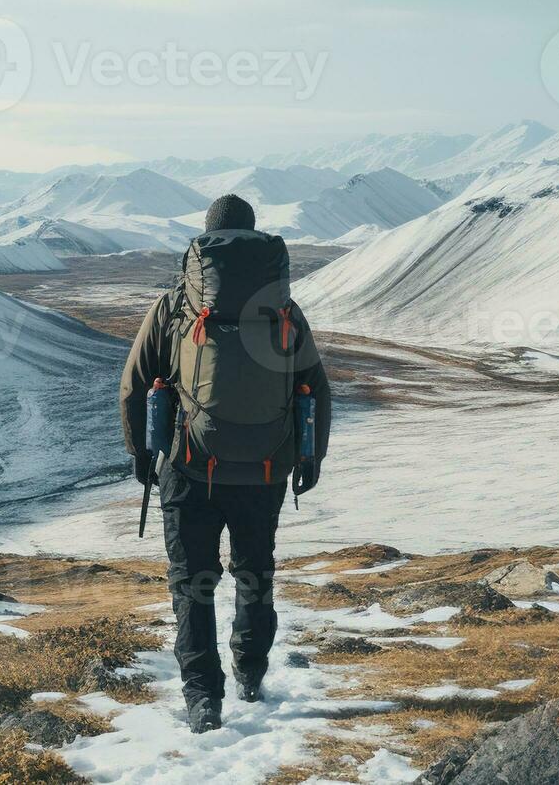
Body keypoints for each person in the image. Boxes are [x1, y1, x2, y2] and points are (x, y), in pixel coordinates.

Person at [119, 193, 333, 733]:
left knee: (192, 582)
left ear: (207, 239)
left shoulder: (176, 305)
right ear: (257, 238)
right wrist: (310, 456)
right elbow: (316, 387)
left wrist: (143, 455)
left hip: (189, 467)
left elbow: (133, 386)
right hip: (265, 470)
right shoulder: (282, 309)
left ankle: (202, 700)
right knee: (254, 573)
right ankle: (252, 673)